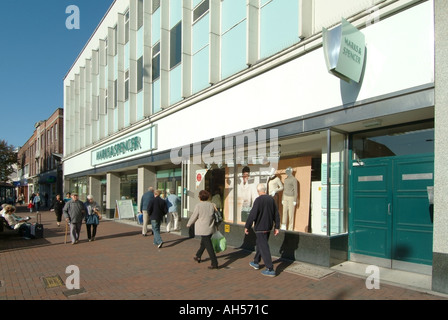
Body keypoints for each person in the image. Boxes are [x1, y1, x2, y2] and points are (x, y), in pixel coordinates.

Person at [244, 183, 280, 277]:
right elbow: (276, 214)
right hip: (268, 227)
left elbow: (253, 214)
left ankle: (270, 268)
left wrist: (247, 226)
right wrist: (277, 226)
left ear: (258, 191)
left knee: (264, 247)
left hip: (260, 227)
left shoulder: (258, 200)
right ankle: (256, 261)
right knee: (261, 243)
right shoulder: (271, 199)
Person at [187, 190, 219, 269]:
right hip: (210, 227)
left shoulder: (198, 206)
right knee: (204, 243)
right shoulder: (212, 205)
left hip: (203, 228)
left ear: (200, 197)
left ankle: (214, 263)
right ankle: (198, 255)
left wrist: (189, 223)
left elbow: (194, 215)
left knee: (209, 246)